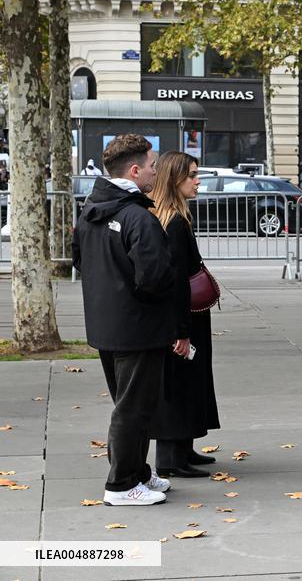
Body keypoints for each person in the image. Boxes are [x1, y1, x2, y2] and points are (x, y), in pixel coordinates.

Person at [72, 134, 176, 506]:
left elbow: (80, 261)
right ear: (134, 170)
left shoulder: (90, 210)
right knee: (134, 408)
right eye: (151, 166)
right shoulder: (137, 217)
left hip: (108, 324)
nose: (154, 172)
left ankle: (137, 473)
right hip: (138, 327)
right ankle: (120, 485)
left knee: (129, 405)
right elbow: (155, 277)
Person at [148, 152, 221, 479]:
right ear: (174, 179)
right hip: (183, 317)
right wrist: (181, 330)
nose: (197, 180)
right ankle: (170, 459)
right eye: (191, 175)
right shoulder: (174, 223)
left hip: (184, 314)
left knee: (188, 382)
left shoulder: (172, 217)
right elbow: (176, 280)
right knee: (180, 384)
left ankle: (183, 449)